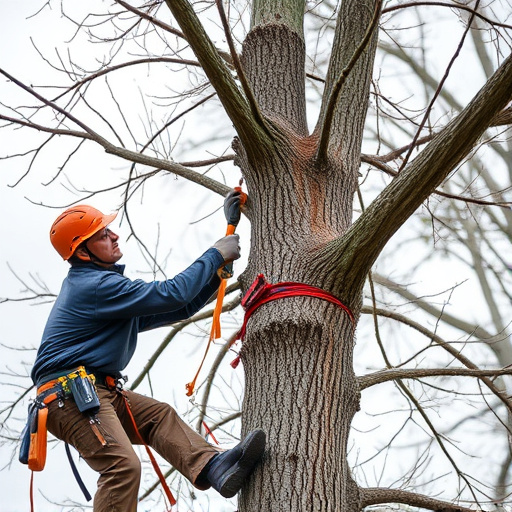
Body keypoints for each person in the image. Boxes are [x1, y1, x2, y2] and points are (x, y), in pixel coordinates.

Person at [29, 196, 265, 511]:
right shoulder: (97, 286)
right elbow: (172, 293)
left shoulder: (106, 292)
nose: (113, 236)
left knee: (158, 416)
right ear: (82, 252)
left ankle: (214, 467)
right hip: (69, 395)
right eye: (102, 235)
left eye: (109, 230)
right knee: (122, 468)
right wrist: (213, 255)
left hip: (96, 391)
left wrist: (217, 271)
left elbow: (180, 305)